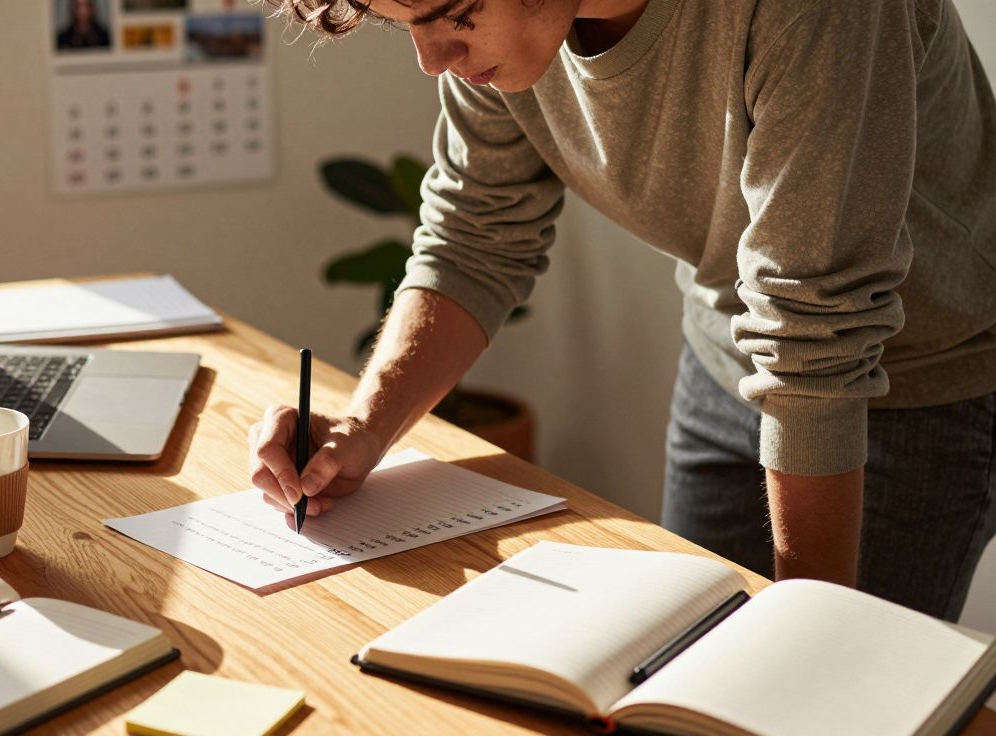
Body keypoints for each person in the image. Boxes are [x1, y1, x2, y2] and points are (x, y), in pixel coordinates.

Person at [247, 0, 996, 622]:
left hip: (921, 381)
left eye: (454, 15)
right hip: (728, 352)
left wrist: (812, 641)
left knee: (837, 698)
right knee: (688, 681)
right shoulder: (493, 37)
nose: (432, 59)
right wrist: (361, 429)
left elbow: (816, 330)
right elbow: (475, 237)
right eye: (402, 23)